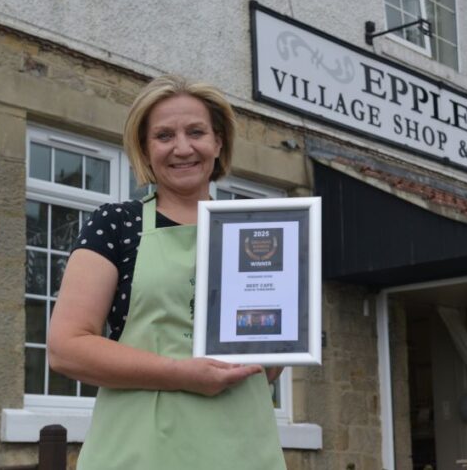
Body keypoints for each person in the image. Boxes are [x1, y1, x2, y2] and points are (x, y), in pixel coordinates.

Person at [48, 75, 287, 469]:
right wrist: (181, 373)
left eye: (197, 132)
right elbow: (66, 347)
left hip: (243, 450)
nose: (182, 148)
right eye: (164, 135)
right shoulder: (117, 224)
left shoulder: (258, 235)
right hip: (141, 451)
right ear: (145, 147)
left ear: (218, 142)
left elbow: (268, 367)